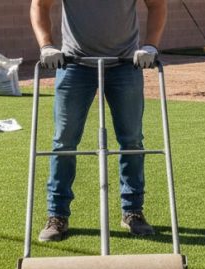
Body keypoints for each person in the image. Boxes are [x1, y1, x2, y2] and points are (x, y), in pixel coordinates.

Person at [30, 0, 167, 241]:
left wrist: (150, 46)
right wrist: (47, 46)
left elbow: (157, 5)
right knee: (64, 142)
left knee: (132, 140)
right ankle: (57, 215)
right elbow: (39, 5)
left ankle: (133, 211)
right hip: (74, 65)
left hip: (125, 66)